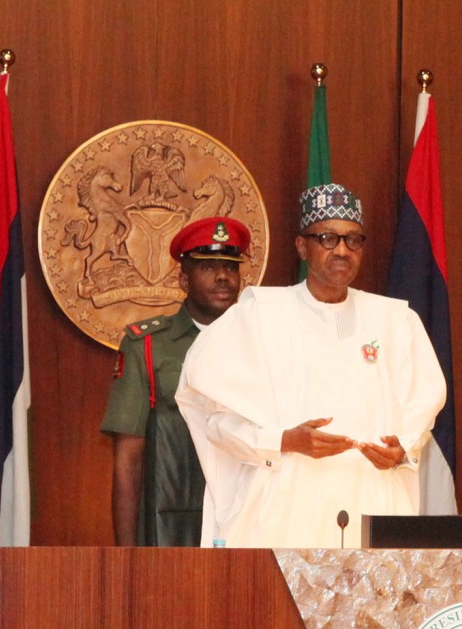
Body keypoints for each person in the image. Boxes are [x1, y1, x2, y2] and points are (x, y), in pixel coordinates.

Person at [176, 184, 446, 548]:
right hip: (284, 512)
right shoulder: (259, 315)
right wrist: (285, 440)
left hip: (373, 503)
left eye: (353, 240)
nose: (342, 250)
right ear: (302, 246)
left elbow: (422, 409)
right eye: (328, 238)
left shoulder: (396, 320)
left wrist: (403, 450)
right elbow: (217, 421)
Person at [101, 217, 250, 545]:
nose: (223, 277)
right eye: (208, 267)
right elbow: (129, 458)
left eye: (231, 267)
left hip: (247, 520)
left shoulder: (260, 344)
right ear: (183, 279)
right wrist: (127, 555)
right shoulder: (149, 345)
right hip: (173, 524)